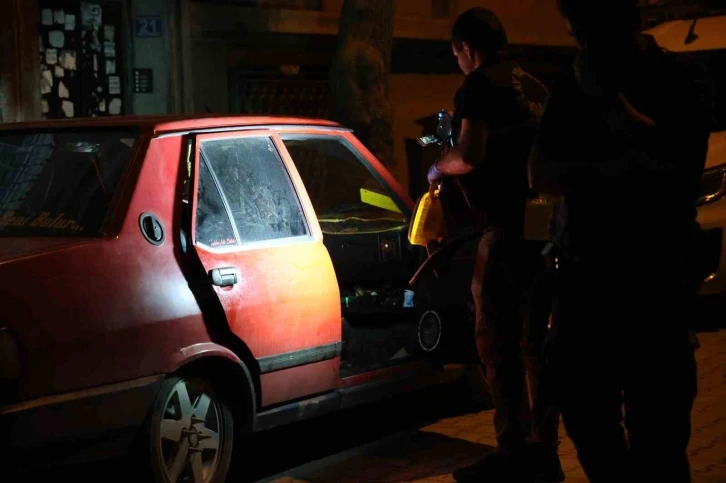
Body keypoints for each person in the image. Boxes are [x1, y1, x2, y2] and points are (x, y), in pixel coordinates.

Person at [528, 1, 712, 482]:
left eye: (585, 32)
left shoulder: (677, 79)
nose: (580, 45)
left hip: (655, 284)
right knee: (587, 419)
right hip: (584, 282)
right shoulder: (573, 84)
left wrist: (607, 106)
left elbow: (676, 171)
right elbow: (540, 172)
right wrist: (617, 169)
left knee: (660, 438)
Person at [427, 7, 563, 482]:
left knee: (497, 341)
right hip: (544, 231)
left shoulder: (479, 86)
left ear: (467, 49)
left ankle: (511, 452)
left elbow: (470, 154)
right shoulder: (534, 84)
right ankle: (544, 451)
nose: (459, 63)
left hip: (505, 231)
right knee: (537, 342)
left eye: (457, 55)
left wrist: (438, 167)